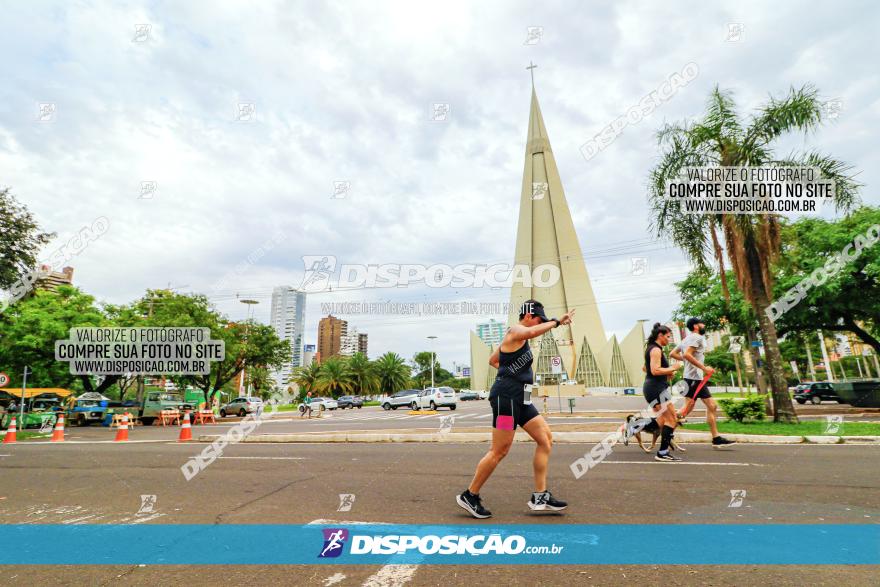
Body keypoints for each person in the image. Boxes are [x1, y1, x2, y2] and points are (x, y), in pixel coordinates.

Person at [457, 299, 574, 519]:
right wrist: (558, 322)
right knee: (500, 450)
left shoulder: (517, 340)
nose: (541, 324)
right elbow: (529, 334)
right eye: (539, 320)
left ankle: (540, 496)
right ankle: (469, 495)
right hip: (505, 401)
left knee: (545, 439)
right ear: (529, 316)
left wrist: (510, 371)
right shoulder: (516, 330)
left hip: (522, 399)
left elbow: (494, 360)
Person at [670, 318, 735, 448]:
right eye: (702, 323)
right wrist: (704, 368)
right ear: (696, 326)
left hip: (693, 378)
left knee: (708, 406)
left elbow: (673, 353)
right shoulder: (697, 338)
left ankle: (716, 438)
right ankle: (667, 431)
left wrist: (690, 362)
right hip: (694, 379)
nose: (704, 325)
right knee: (691, 408)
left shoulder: (685, 339)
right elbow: (688, 355)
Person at [643, 323, 684, 461]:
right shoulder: (656, 350)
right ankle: (662, 452)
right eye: (668, 336)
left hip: (655, 387)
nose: (669, 339)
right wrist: (673, 368)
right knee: (671, 419)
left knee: (663, 420)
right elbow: (654, 370)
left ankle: (663, 443)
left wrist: (666, 374)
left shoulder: (653, 349)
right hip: (656, 389)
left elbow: (646, 369)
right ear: (660, 335)